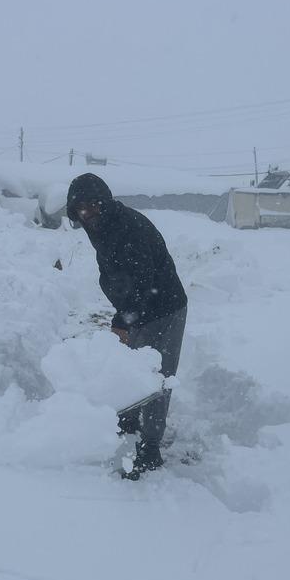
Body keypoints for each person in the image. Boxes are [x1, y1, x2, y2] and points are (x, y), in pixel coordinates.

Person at [66, 173, 188, 480]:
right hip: (138, 306)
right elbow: (117, 274)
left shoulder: (128, 228)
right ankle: (130, 418)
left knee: (158, 376)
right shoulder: (101, 225)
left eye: (92, 206)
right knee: (132, 364)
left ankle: (150, 449)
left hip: (165, 307)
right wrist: (124, 314)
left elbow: (143, 281)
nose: (87, 214)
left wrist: (123, 320)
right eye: (81, 209)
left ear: (104, 203)